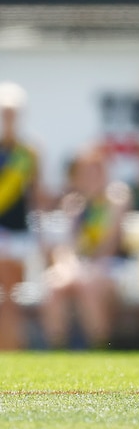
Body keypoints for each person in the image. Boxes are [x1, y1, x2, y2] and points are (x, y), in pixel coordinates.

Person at [40, 146, 130, 349]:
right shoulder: (73, 204)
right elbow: (66, 248)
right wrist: (71, 267)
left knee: (88, 286)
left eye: (95, 170)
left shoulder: (115, 200)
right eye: (86, 171)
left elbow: (109, 245)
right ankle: (57, 351)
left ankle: (100, 349)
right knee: (54, 285)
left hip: (112, 266)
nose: (91, 176)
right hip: (81, 268)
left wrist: (81, 268)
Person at [0, 82, 46, 349]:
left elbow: (36, 196)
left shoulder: (29, 152)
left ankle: (11, 352)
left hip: (18, 235)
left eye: (12, 113)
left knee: (11, 297)